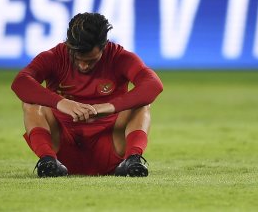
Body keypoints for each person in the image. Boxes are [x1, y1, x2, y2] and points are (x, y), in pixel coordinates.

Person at [11, 12, 164, 177]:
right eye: (77, 58)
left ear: (104, 47)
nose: (83, 66)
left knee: (142, 105)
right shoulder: (54, 57)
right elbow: (20, 82)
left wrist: (108, 107)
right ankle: (48, 161)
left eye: (91, 60)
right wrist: (61, 102)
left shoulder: (119, 58)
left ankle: (132, 159)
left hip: (110, 145)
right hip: (63, 147)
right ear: (69, 46)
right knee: (31, 103)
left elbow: (153, 84)